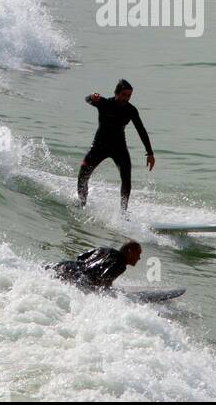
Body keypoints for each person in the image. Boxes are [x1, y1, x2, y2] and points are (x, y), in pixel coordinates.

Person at [77, 79, 154, 212]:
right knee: (83, 175)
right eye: (124, 95)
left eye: (129, 96)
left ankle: (123, 212)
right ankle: (81, 204)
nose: (126, 98)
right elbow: (87, 99)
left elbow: (141, 130)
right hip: (99, 145)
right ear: (116, 93)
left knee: (126, 179)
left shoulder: (131, 110)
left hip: (119, 147)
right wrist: (92, 96)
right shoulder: (104, 103)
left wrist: (150, 153)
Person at [51, 241, 142, 291]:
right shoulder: (121, 264)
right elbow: (103, 278)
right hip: (78, 276)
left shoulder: (104, 249)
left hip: (66, 265)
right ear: (129, 251)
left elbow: (80, 257)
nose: (139, 258)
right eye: (138, 254)